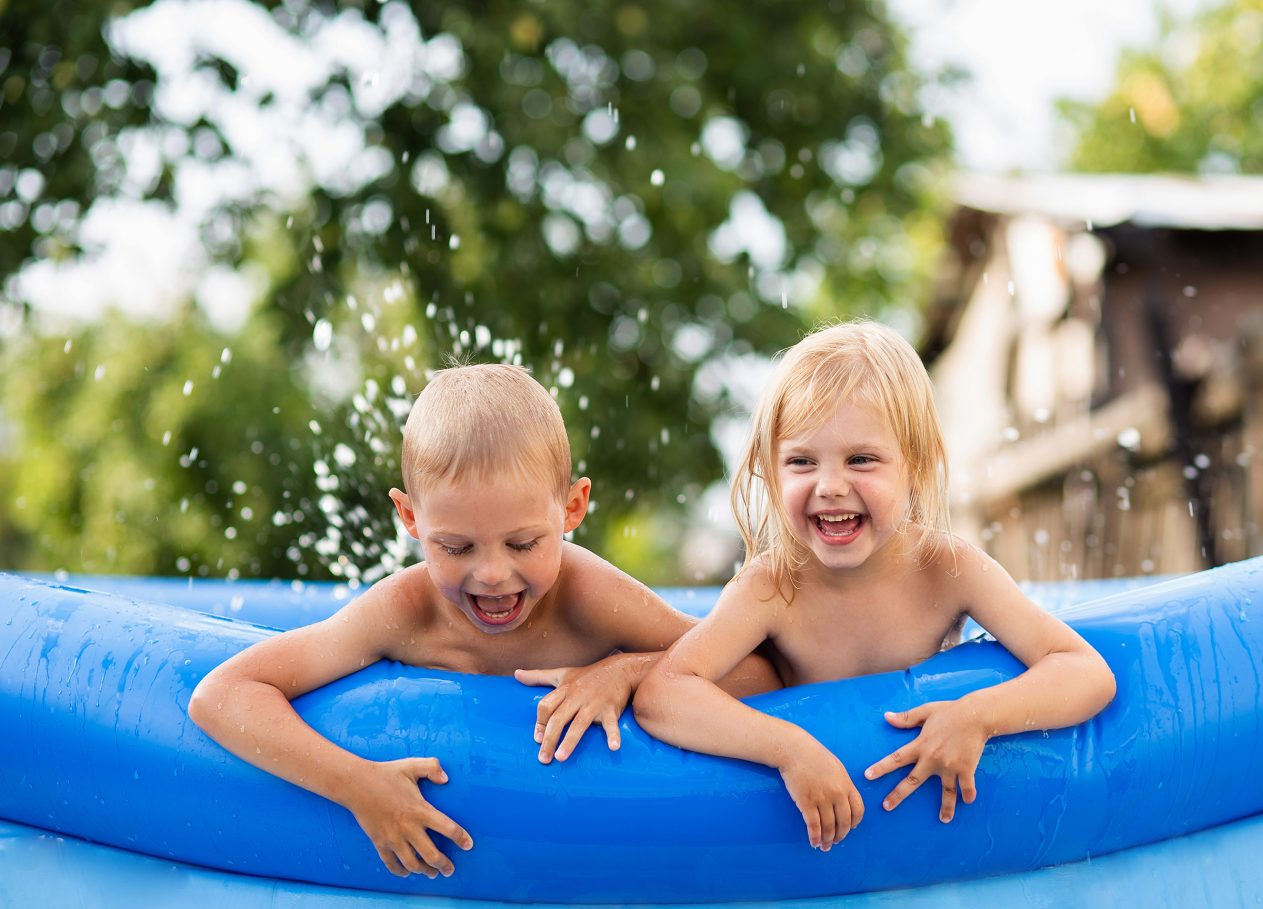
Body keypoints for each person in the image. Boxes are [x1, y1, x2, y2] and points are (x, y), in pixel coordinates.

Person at [190, 363, 777, 880]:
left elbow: (759, 673)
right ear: (409, 516)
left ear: (572, 508)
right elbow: (223, 695)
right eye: (457, 547)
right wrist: (357, 786)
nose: (493, 574)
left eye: (523, 543)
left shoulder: (587, 595)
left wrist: (629, 672)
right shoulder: (403, 610)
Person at [633, 321, 1116, 853]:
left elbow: (1085, 671)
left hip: (930, 835)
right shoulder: (772, 588)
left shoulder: (948, 569)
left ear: (917, 466)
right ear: (770, 473)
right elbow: (664, 694)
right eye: (801, 461)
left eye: (861, 459)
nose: (830, 486)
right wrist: (789, 749)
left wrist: (979, 716)